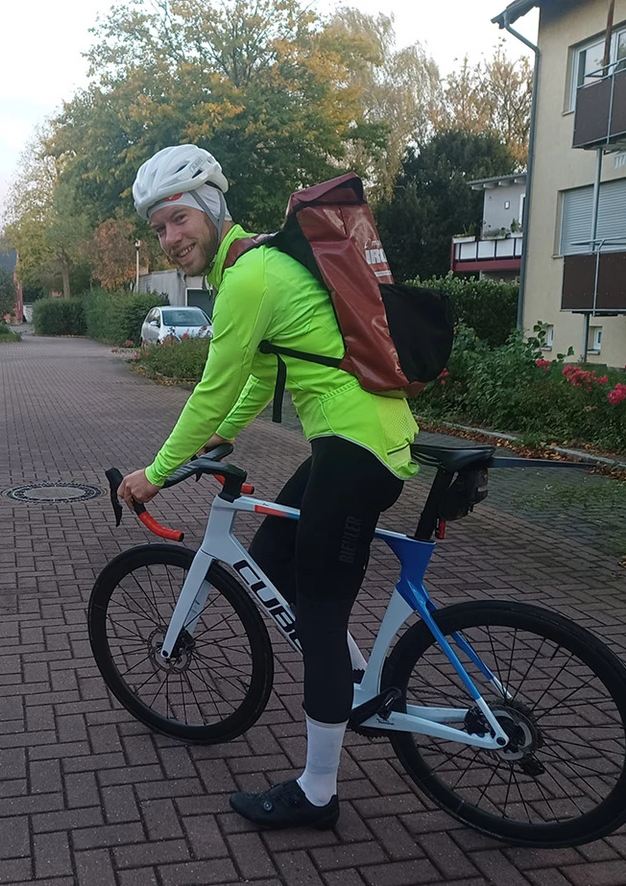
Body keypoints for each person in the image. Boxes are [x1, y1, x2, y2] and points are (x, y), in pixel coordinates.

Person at [118, 144, 419, 830]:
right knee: (277, 556)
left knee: (319, 611)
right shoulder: (256, 266)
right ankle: (348, 685)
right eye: (158, 229)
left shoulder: (250, 276)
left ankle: (318, 791)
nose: (168, 239)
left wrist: (155, 475)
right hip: (352, 442)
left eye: (176, 220)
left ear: (211, 206)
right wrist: (224, 435)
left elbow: (211, 387)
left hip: (358, 449)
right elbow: (256, 378)